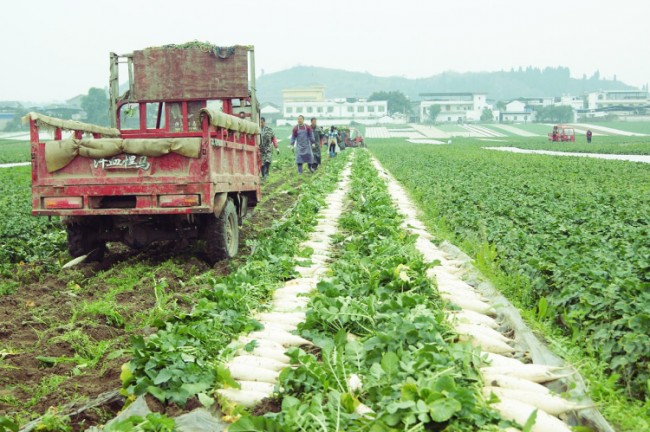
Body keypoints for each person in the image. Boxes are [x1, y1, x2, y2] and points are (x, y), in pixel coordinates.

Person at [259, 117, 279, 181]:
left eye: (262, 122)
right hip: (260, 149)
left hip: (268, 148)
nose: (261, 124)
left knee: (267, 161)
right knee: (261, 163)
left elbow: (273, 138)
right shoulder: (256, 129)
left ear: (264, 122)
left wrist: (277, 147)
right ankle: (263, 175)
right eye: (260, 122)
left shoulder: (269, 129)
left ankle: (266, 173)